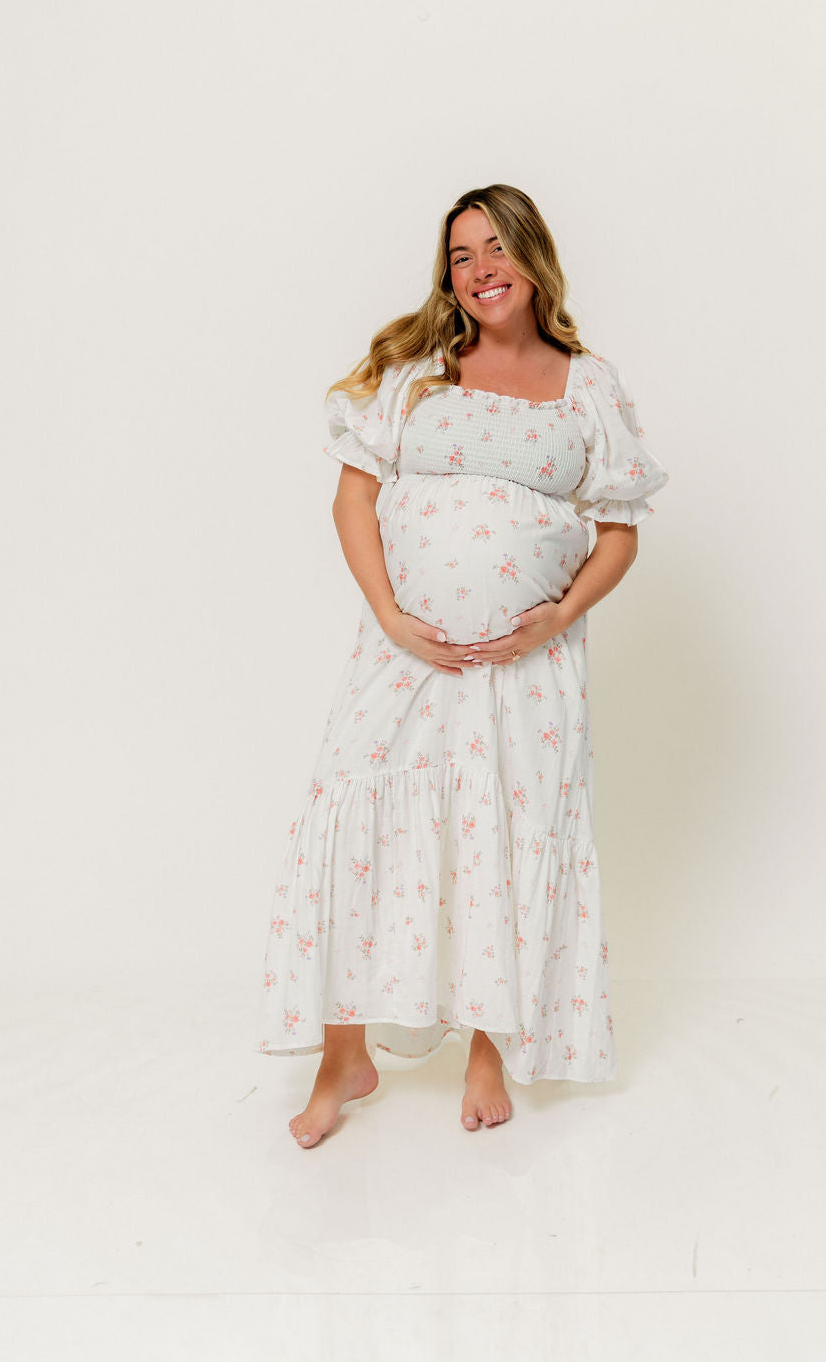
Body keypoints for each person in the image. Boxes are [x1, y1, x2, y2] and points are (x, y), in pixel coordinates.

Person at [254, 183, 669, 1148]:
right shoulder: (417, 372)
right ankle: (343, 1056)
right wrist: (391, 616)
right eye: (460, 255)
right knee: (355, 815)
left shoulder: (587, 386)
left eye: (495, 248)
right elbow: (353, 501)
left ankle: (488, 1047)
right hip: (407, 654)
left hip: (528, 669)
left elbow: (619, 533)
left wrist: (557, 614)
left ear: (532, 255)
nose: (479, 270)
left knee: (501, 834)